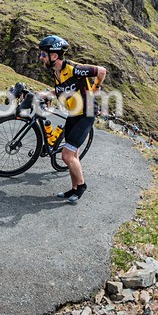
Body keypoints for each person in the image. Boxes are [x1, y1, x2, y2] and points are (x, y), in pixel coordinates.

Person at [36, 35, 107, 204]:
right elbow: (61, 90)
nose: (41, 57)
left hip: (87, 113)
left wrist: (96, 88)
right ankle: (74, 188)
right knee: (72, 154)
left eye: (43, 54)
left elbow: (102, 71)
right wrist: (45, 94)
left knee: (66, 156)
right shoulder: (56, 73)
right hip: (73, 114)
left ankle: (81, 186)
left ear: (54, 56)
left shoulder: (74, 69)